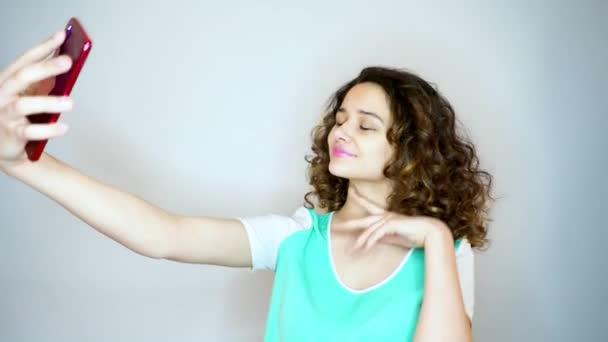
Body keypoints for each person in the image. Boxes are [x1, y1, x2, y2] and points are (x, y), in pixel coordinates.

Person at [0, 29, 494, 342]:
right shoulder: (296, 239)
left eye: (365, 125)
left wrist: (432, 237)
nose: (341, 131)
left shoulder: (447, 252)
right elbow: (164, 234)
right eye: (340, 119)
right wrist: (26, 166)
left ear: (409, 150)